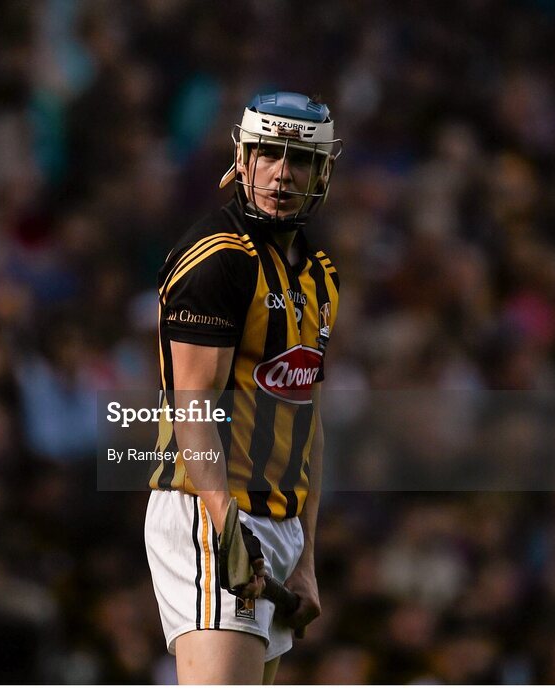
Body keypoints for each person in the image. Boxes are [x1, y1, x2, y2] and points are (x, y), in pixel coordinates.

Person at [144, 91, 342, 684]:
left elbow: (308, 424)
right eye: (268, 154)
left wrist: (305, 558)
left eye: (299, 160)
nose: (282, 173)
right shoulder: (217, 259)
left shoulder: (320, 275)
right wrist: (226, 524)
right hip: (210, 513)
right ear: (242, 158)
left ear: (323, 173)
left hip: (278, 527)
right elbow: (192, 408)